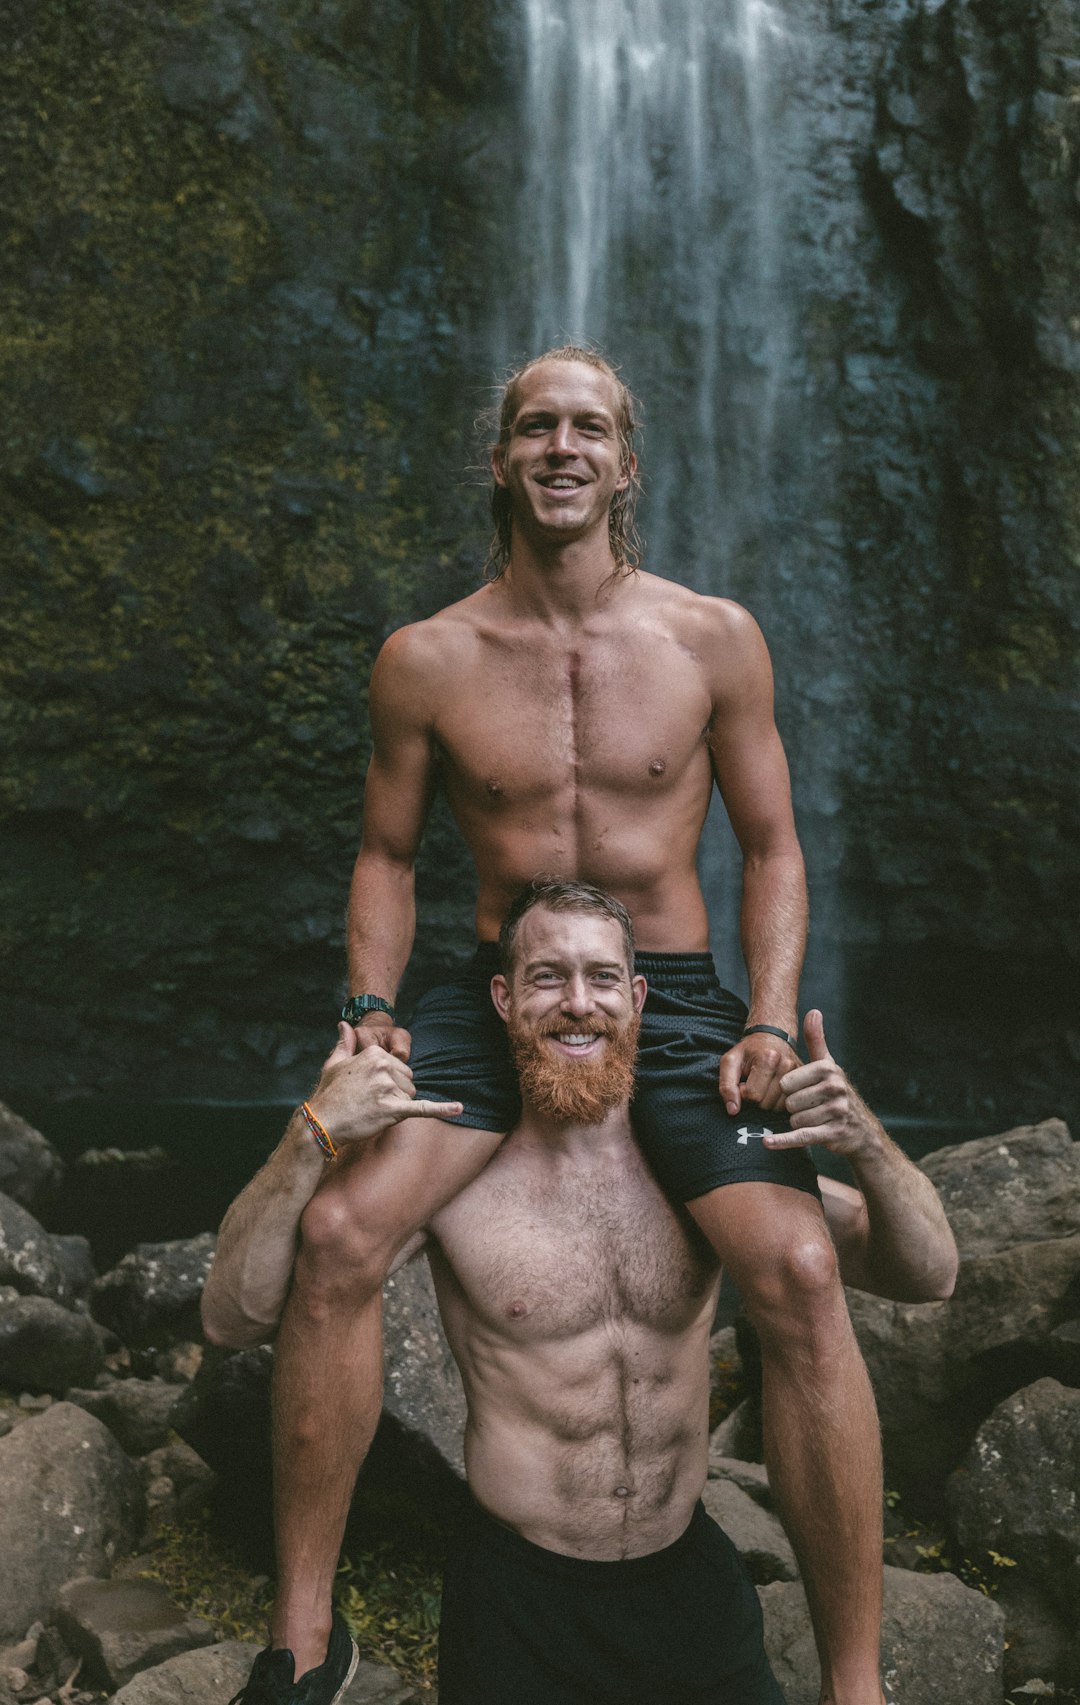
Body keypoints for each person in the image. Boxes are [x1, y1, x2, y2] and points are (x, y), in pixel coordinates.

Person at [242, 343, 898, 1704]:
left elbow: (773, 848)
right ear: (501, 458)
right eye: (536, 425)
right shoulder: (427, 657)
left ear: (624, 460)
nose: (561, 448)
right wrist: (369, 1018)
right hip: (498, 987)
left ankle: (856, 1679)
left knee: (800, 1273)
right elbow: (382, 852)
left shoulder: (713, 639)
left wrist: (770, 1018)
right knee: (344, 1233)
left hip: (668, 998)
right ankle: (302, 1637)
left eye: (587, 426)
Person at [204, 881, 958, 1705]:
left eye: (602, 978)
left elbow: (929, 1273)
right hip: (520, 1603)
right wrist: (310, 1131)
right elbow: (233, 1313)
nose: (578, 1005)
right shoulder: (454, 1186)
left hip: (688, 1587)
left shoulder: (706, 1178)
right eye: (547, 978)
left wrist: (870, 1145)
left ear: (637, 998)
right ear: (501, 998)